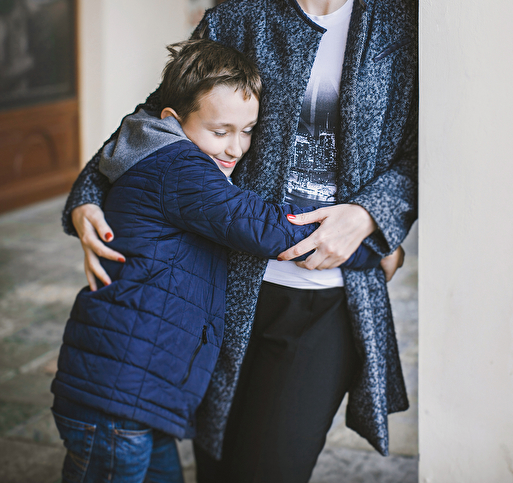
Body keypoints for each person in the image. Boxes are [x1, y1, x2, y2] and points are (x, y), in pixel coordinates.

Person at [63, 0, 417, 483]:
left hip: (328, 296)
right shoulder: (235, 22)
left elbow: (427, 153)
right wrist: (88, 198)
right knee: (218, 463)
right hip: (222, 286)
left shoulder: (406, 29)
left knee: (268, 467)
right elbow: (152, 124)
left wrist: (371, 216)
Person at [52, 39, 392, 483]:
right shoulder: (178, 166)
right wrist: (370, 247)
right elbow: (264, 226)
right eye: (220, 131)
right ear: (173, 120)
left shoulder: (152, 147)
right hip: (115, 396)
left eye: (248, 130)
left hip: (136, 394)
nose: (236, 148)